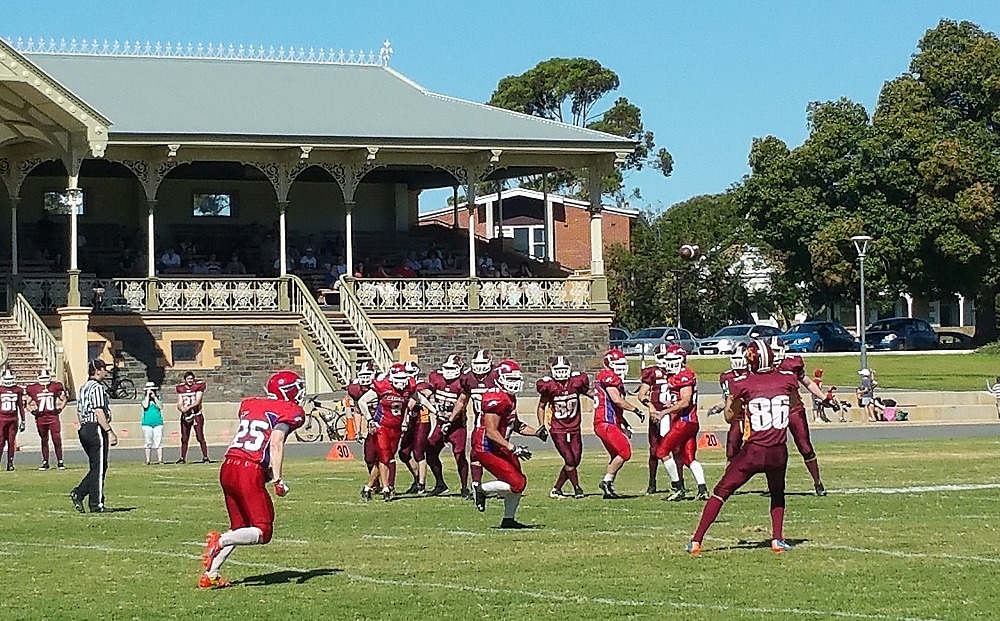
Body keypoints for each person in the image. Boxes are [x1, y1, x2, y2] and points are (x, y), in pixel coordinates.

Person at [687, 339, 796, 556]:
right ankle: (777, 539)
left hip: (754, 450)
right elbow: (792, 404)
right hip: (779, 450)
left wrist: (733, 400)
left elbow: (729, 417)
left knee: (721, 492)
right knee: (777, 492)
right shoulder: (788, 380)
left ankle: (696, 541)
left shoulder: (744, 382)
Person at [199, 370, 307, 589]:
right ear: (289, 391)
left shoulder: (250, 404)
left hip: (228, 464)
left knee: (239, 526)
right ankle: (219, 541)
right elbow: (276, 441)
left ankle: (211, 574)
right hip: (249, 468)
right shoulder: (290, 410)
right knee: (263, 531)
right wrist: (278, 479)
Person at [471, 359, 546, 527]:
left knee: (519, 481)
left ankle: (508, 520)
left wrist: (536, 432)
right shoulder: (496, 398)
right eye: (510, 379)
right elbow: (491, 432)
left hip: (499, 446)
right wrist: (513, 448)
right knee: (517, 483)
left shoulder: (509, 397)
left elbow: (516, 424)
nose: (514, 383)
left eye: (515, 379)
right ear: (499, 378)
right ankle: (481, 490)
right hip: (487, 448)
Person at [770, 337, 830, 496]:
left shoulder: (792, 363)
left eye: (777, 351)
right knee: (774, 450)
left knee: (805, 447)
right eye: (772, 351)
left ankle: (818, 482)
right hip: (774, 412)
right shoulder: (762, 366)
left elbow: (808, 383)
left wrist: (823, 398)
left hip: (794, 410)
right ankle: (777, 485)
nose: (774, 355)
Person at [650, 345, 710, 501]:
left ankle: (678, 487)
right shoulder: (675, 376)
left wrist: (664, 412)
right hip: (689, 422)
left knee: (661, 451)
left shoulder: (684, 375)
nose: (669, 363)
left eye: (673, 359)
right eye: (667, 359)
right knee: (688, 458)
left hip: (685, 421)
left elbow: (685, 401)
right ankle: (702, 488)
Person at [357, 363, 423, 502]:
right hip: (381, 426)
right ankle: (386, 488)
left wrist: (434, 411)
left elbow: (420, 398)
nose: (401, 381)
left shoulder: (409, 387)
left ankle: (368, 487)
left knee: (384, 458)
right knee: (385, 458)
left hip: (396, 428)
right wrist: (369, 419)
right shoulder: (382, 387)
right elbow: (361, 402)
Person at [593, 349, 645, 499]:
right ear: (609, 364)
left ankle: (608, 484)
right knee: (624, 452)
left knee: (617, 454)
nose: (621, 367)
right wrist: (636, 410)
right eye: (618, 364)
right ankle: (606, 481)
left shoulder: (611, 378)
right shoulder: (608, 377)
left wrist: (624, 423)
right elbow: (616, 400)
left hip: (609, 422)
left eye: (623, 364)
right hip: (605, 422)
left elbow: (615, 406)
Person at [535, 356, 590, 499]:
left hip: (574, 427)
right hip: (557, 428)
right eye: (558, 370)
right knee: (570, 460)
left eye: (563, 369)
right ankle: (577, 488)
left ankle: (556, 489)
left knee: (575, 460)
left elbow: (589, 392)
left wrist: (600, 398)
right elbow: (541, 407)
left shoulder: (575, 383)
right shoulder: (550, 386)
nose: (560, 372)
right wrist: (541, 425)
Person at [70, 359, 117, 513]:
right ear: (97, 370)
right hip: (95, 428)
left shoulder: (83, 388)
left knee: (97, 466)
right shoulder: (96, 388)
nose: (106, 372)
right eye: (104, 369)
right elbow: (98, 411)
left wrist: (83, 425)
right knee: (100, 466)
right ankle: (95, 502)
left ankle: (81, 493)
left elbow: (78, 410)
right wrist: (109, 430)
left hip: (85, 427)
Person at [449, 349, 497, 500]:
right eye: (477, 363)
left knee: (502, 455)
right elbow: (462, 400)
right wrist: (451, 419)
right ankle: (477, 485)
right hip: (479, 424)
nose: (480, 367)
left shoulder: (497, 375)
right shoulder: (468, 378)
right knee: (475, 455)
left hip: (497, 423)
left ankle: (507, 484)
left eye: (483, 363)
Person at [637, 346, 683, 495]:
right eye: (663, 356)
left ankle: (679, 482)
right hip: (656, 415)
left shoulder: (678, 372)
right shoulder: (652, 372)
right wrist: (650, 406)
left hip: (673, 415)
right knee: (654, 450)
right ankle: (652, 482)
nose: (666, 360)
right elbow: (641, 394)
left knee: (676, 449)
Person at [425, 355, 469, 496]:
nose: (449, 371)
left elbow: (460, 404)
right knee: (430, 451)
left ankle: (464, 487)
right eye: (447, 368)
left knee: (459, 455)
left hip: (456, 426)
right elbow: (428, 392)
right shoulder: (437, 378)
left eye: (452, 368)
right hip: (441, 423)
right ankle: (440, 483)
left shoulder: (463, 383)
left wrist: (450, 420)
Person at [398, 361, 433, 494]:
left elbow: (417, 399)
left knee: (418, 452)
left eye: (410, 373)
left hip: (421, 421)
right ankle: (417, 478)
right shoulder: (401, 386)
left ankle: (421, 484)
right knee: (404, 453)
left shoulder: (423, 385)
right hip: (410, 422)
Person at [25, 369, 67, 470]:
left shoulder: (55, 386)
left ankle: (60, 461)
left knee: (56, 439)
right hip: (41, 417)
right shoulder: (34, 388)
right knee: (44, 440)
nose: (44, 380)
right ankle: (45, 461)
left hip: (52, 416)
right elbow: (27, 402)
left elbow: (64, 399)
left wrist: (60, 408)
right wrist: (32, 411)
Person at [346, 362, 378, 478]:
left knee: (384, 457)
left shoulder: (380, 385)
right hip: (371, 425)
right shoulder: (356, 389)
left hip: (384, 422)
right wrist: (357, 430)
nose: (365, 377)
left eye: (367, 374)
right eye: (362, 374)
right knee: (369, 457)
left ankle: (388, 486)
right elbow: (358, 410)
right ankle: (376, 483)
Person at [176, 371, 212, 464]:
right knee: (184, 437)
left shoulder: (198, 387)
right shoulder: (181, 388)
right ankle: (182, 457)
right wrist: (181, 408)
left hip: (196, 415)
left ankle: (205, 457)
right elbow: (179, 402)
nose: (190, 381)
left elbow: (197, 401)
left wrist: (188, 408)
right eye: (188, 379)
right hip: (185, 415)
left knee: (200, 436)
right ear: (185, 380)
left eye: (191, 379)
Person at [0, 370, 26, 471]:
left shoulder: (17, 390)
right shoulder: (1, 390)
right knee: (1, 441)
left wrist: (23, 420)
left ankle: (10, 463)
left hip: (13, 419)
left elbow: (20, 406)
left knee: (11, 442)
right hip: (2, 418)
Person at [141, 382, 165, 465]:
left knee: (159, 441)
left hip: (158, 422)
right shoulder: (143, 398)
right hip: (147, 423)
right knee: (148, 442)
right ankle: (147, 460)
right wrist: (147, 396)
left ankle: (160, 460)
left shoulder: (158, 397)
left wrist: (154, 397)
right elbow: (145, 405)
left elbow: (160, 406)